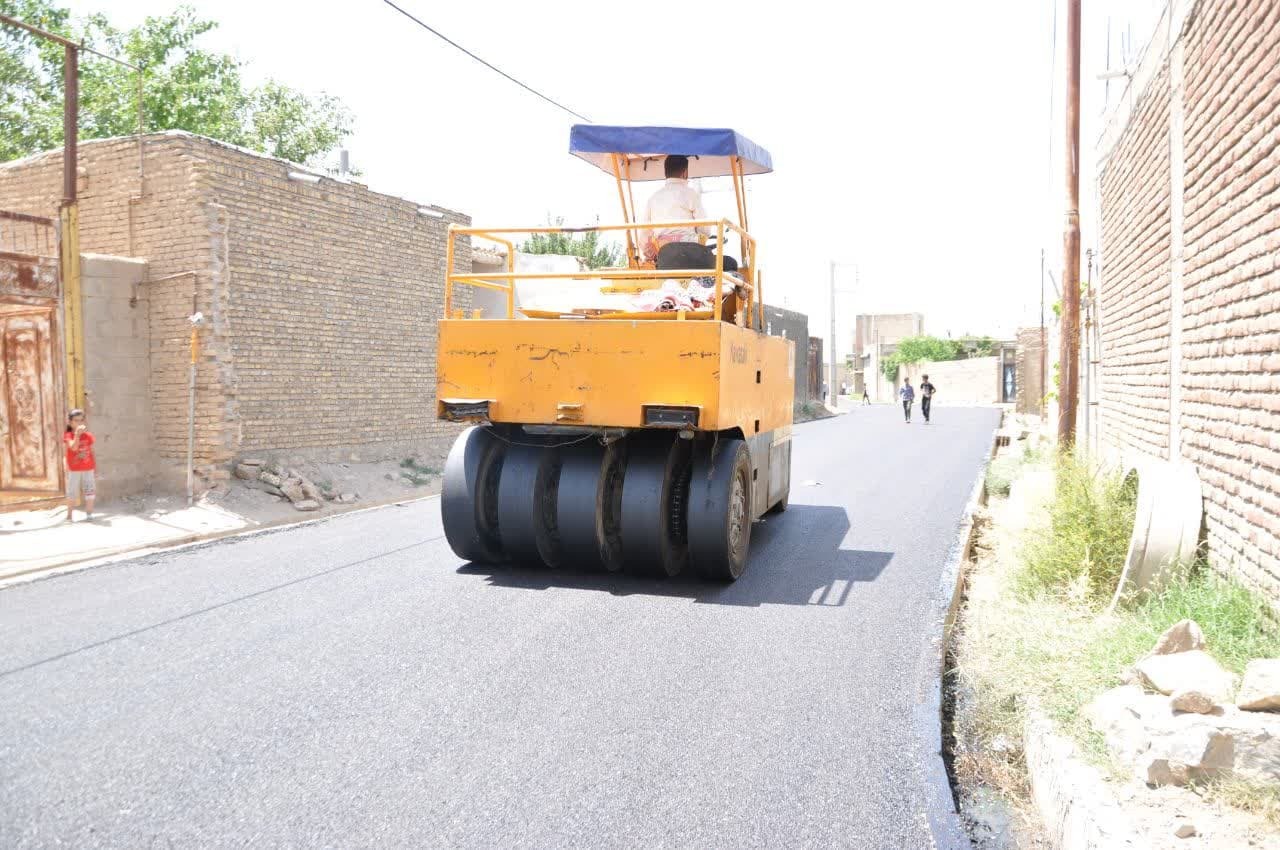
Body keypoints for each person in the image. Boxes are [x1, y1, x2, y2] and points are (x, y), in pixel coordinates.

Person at [643, 155, 711, 265]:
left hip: (663, 256)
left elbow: (644, 235)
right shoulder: (691, 194)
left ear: (666, 172)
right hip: (689, 253)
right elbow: (705, 229)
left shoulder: (653, 198)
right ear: (685, 172)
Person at [64, 408, 96, 521]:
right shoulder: (68, 435)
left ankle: (89, 514)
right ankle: (69, 516)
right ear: (70, 422)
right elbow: (73, 448)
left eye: (81, 420)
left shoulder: (88, 435)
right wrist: (77, 435)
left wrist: (95, 468)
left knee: (90, 491)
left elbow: (92, 452)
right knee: (72, 492)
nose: (79, 423)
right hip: (74, 469)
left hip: (88, 468)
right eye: (76, 420)